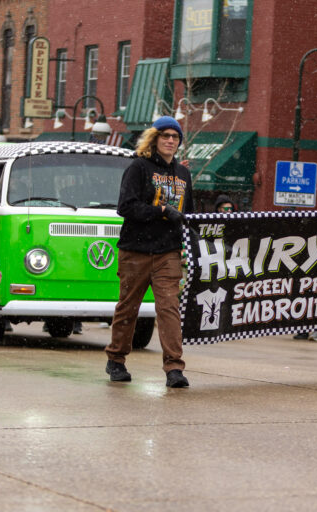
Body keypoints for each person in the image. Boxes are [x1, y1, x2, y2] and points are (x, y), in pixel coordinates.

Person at [104, 116, 194, 388]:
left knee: (169, 308)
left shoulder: (183, 174)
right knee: (128, 307)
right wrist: (162, 211)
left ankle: (174, 369)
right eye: (165, 136)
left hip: (168, 252)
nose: (170, 141)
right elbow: (126, 207)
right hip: (136, 250)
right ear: (154, 139)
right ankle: (117, 359)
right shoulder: (138, 168)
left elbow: (188, 213)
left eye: (175, 137)